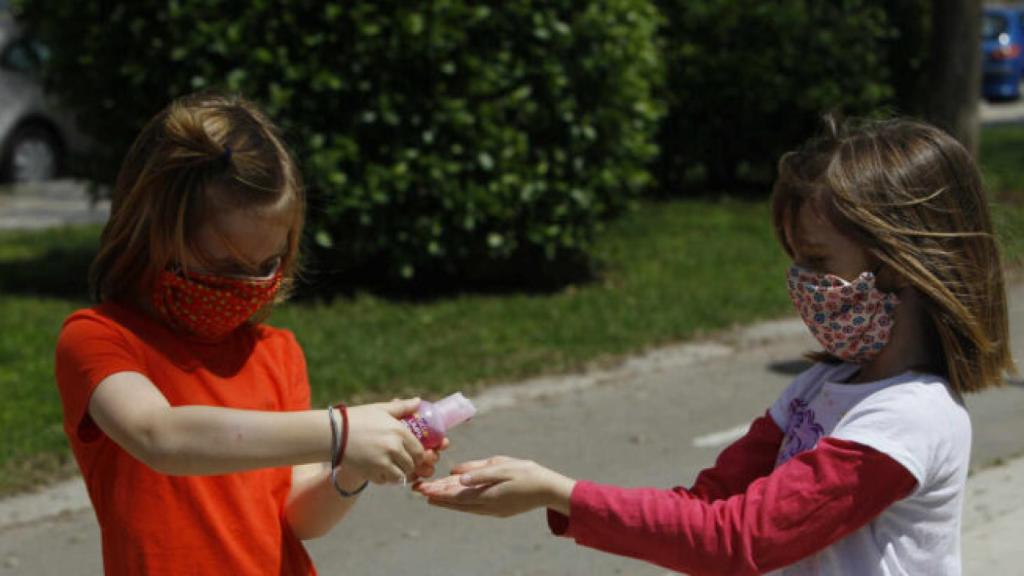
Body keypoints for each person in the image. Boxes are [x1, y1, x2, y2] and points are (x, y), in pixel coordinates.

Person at [417, 116, 1017, 575]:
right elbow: (705, 506)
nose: (801, 283)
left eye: (815, 261)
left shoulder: (908, 420)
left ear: (900, 265)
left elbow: (741, 538)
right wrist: (558, 499)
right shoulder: (819, 389)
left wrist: (559, 492)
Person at [55, 92, 443, 575]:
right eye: (224, 265)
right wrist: (341, 431)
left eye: (267, 264)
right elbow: (161, 436)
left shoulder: (277, 353)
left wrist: (354, 467)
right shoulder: (99, 339)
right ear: (156, 232)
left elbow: (298, 518)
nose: (248, 283)